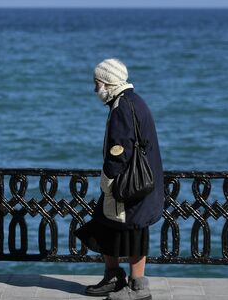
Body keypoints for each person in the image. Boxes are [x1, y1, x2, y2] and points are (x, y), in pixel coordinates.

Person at [74, 58, 164, 300]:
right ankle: (113, 276)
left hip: (129, 184)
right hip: (140, 180)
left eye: (97, 84)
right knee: (104, 224)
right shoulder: (132, 101)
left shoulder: (122, 107)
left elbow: (119, 149)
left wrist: (108, 177)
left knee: (134, 229)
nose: (95, 89)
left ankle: (138, 287)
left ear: (107, 82)